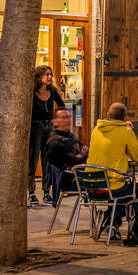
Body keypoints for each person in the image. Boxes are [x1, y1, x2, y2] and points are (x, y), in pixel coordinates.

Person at [86, 103, 138, 214]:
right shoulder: (126, 132)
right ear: (125, 118)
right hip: (112, 187)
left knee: (123, 191)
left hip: (91, 187)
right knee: (136, 190)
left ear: (108, 115)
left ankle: (111, 219)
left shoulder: (96, 130)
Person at [29, 65, 65, 206]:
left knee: (47, 161)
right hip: (35, 128)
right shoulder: (32, 92)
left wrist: (58, 122)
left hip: (49, 128)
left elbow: (61, 106)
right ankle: (31, 192)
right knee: (32, 161)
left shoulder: (52, 91)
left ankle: (46, 192)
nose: (49, 77)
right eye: (46, 74)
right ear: (39, 77)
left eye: (50, 74)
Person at [43, 107, 88, 198]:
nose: (68, 120)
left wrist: (81, 155)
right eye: (64, 117)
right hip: (71, 182)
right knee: (109, 184)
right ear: (54, 121)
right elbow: (76, 162)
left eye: (69, 117)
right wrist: (82, 154)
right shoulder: (55, 141)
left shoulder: (71, 136)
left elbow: (86, 152)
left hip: (80, 176)